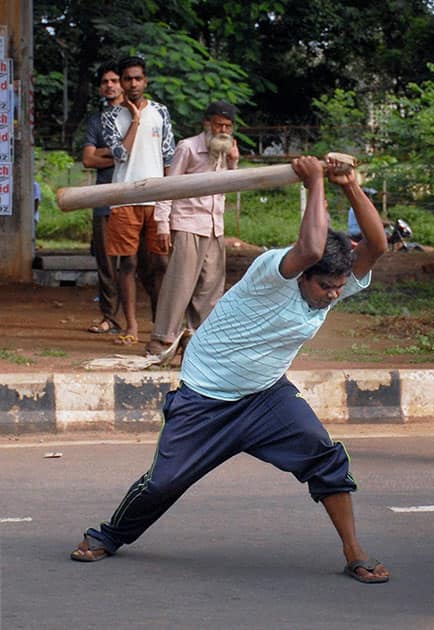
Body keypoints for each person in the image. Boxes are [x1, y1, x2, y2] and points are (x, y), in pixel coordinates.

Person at [70, 153, 391, 584]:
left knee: (324, 457)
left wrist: (350, 184)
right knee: (163, 484)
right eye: (325, 287)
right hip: (206, 396)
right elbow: (311, 247)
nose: (334, 295)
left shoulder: (333, 280)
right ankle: (108, 535)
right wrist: (314, 181)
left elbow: (378, 246)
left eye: (339, 287)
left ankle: (355, 551)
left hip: (264, 396)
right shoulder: (272, 273)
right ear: (303, 277)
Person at [145, 101, 240, 361]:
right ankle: (162, 339)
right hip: (187, 223)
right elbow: (169, 187)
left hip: (214, 227)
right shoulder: (187, 148)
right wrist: (162, 223)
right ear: (207, 123)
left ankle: (198, 342)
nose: (223, 130)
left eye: (228, 126)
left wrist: (233, 163)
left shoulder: (225, 151)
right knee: (180, 284)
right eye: (219, 124)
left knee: (210, 287)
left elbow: (229, 188)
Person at [102, 56, 175, 346]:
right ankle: (131, 324)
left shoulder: (160, 112)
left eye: (137, 78)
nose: (133, 83)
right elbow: (120, 155)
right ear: (121, 82)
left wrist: (169, 201)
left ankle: (161, 323)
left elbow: (168, 157)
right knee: (128, 263)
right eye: (127, 79)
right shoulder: (109, 116)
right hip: (123, 198)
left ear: (145, 81)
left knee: (160, 262)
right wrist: (134, 119)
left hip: (156, 197)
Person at [81, 61, 123, 335]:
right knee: (106, 264)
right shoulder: (95, 121)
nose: (110, 85)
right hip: (104, 200)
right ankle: (110, 318)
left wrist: (104, 153)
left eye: (114, 80)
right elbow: (88, 159)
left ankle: (153, 321)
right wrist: (118, 152)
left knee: (144, 264)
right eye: (105, 81)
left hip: (135, 199)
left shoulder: (138, 117)